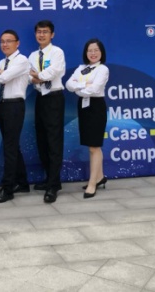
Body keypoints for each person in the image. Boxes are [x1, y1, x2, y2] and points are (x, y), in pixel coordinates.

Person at [0, 30, 30, 204]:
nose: (5, 44)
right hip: (2, 104)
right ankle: (22, 182)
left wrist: (0, 73)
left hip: (14, 105)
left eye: (9, 41)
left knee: (9, 147)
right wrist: (0, 72)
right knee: (11, 145)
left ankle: (7, 188)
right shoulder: (4, 61)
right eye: (2, 41)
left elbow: (2, 78)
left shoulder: (22, 60)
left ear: (17, 43)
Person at [65, 38, 110, 199]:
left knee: (94, 146)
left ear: (101, 52)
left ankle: (92, 183)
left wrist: (79, 87)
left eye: (96, 50)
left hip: (96, 107)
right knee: (92, 145)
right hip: (83, 107)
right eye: (90, 50)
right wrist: (84, 86)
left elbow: (95, 89)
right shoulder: (81, 68)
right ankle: (100, 177)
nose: (93, 53)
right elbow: (69, 85)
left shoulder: (103, 69)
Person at [28, 20, 66, 203]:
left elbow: (54, 72)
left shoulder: (57, 52)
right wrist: (37, 77)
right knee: (42, 139)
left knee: (54, 141)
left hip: (54, 98)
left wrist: (38, 76)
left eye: (45, 32)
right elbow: (28, 76)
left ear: (52, 34)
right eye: (39, 32)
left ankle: (54, 184)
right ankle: (50, 178)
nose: (41, 35)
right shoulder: (33, 55)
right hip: (40, 99)